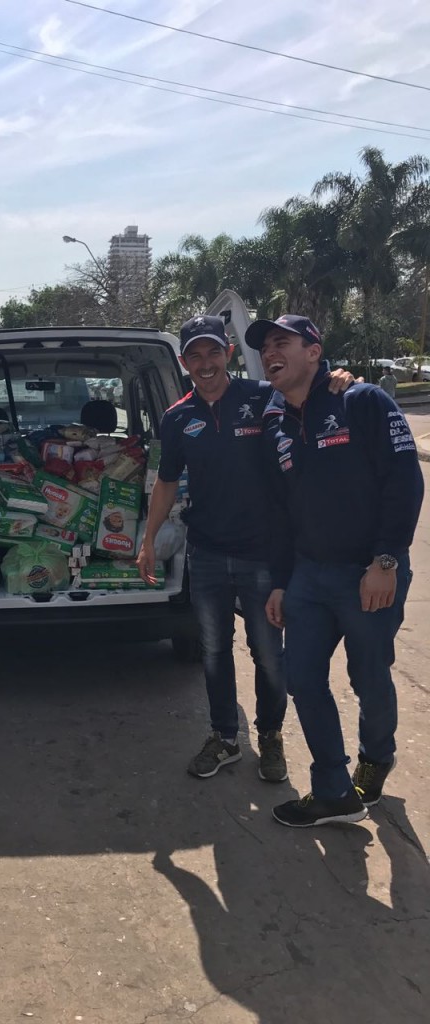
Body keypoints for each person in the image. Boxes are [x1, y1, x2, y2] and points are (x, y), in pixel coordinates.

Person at [137, 315, 354, 783]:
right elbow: (166, 483)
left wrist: (338, 377)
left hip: (264, 554)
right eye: (195, 355)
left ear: (229, 354)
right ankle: (225, 737)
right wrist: (149, 539)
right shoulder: (177, 418)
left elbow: (305, 392)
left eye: (214, 352)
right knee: (214, 652)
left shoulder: (263, 398)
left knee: (269, 654)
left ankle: (271, 736)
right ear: (184, 362)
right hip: (208, 554)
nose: (205, 363)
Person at [246, 314, 424, 828]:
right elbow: (279, 512)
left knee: (368, 677)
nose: (270, 353)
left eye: (283, 342)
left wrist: (385, 561)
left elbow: (405, 482)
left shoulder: (361, 402)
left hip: (368, 573)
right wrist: (281, 580)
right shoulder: (275, 425)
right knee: (301, 677)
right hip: (307, 576)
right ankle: (332, 790)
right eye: (264, 348)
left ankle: (377, 757)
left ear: (314, 352)